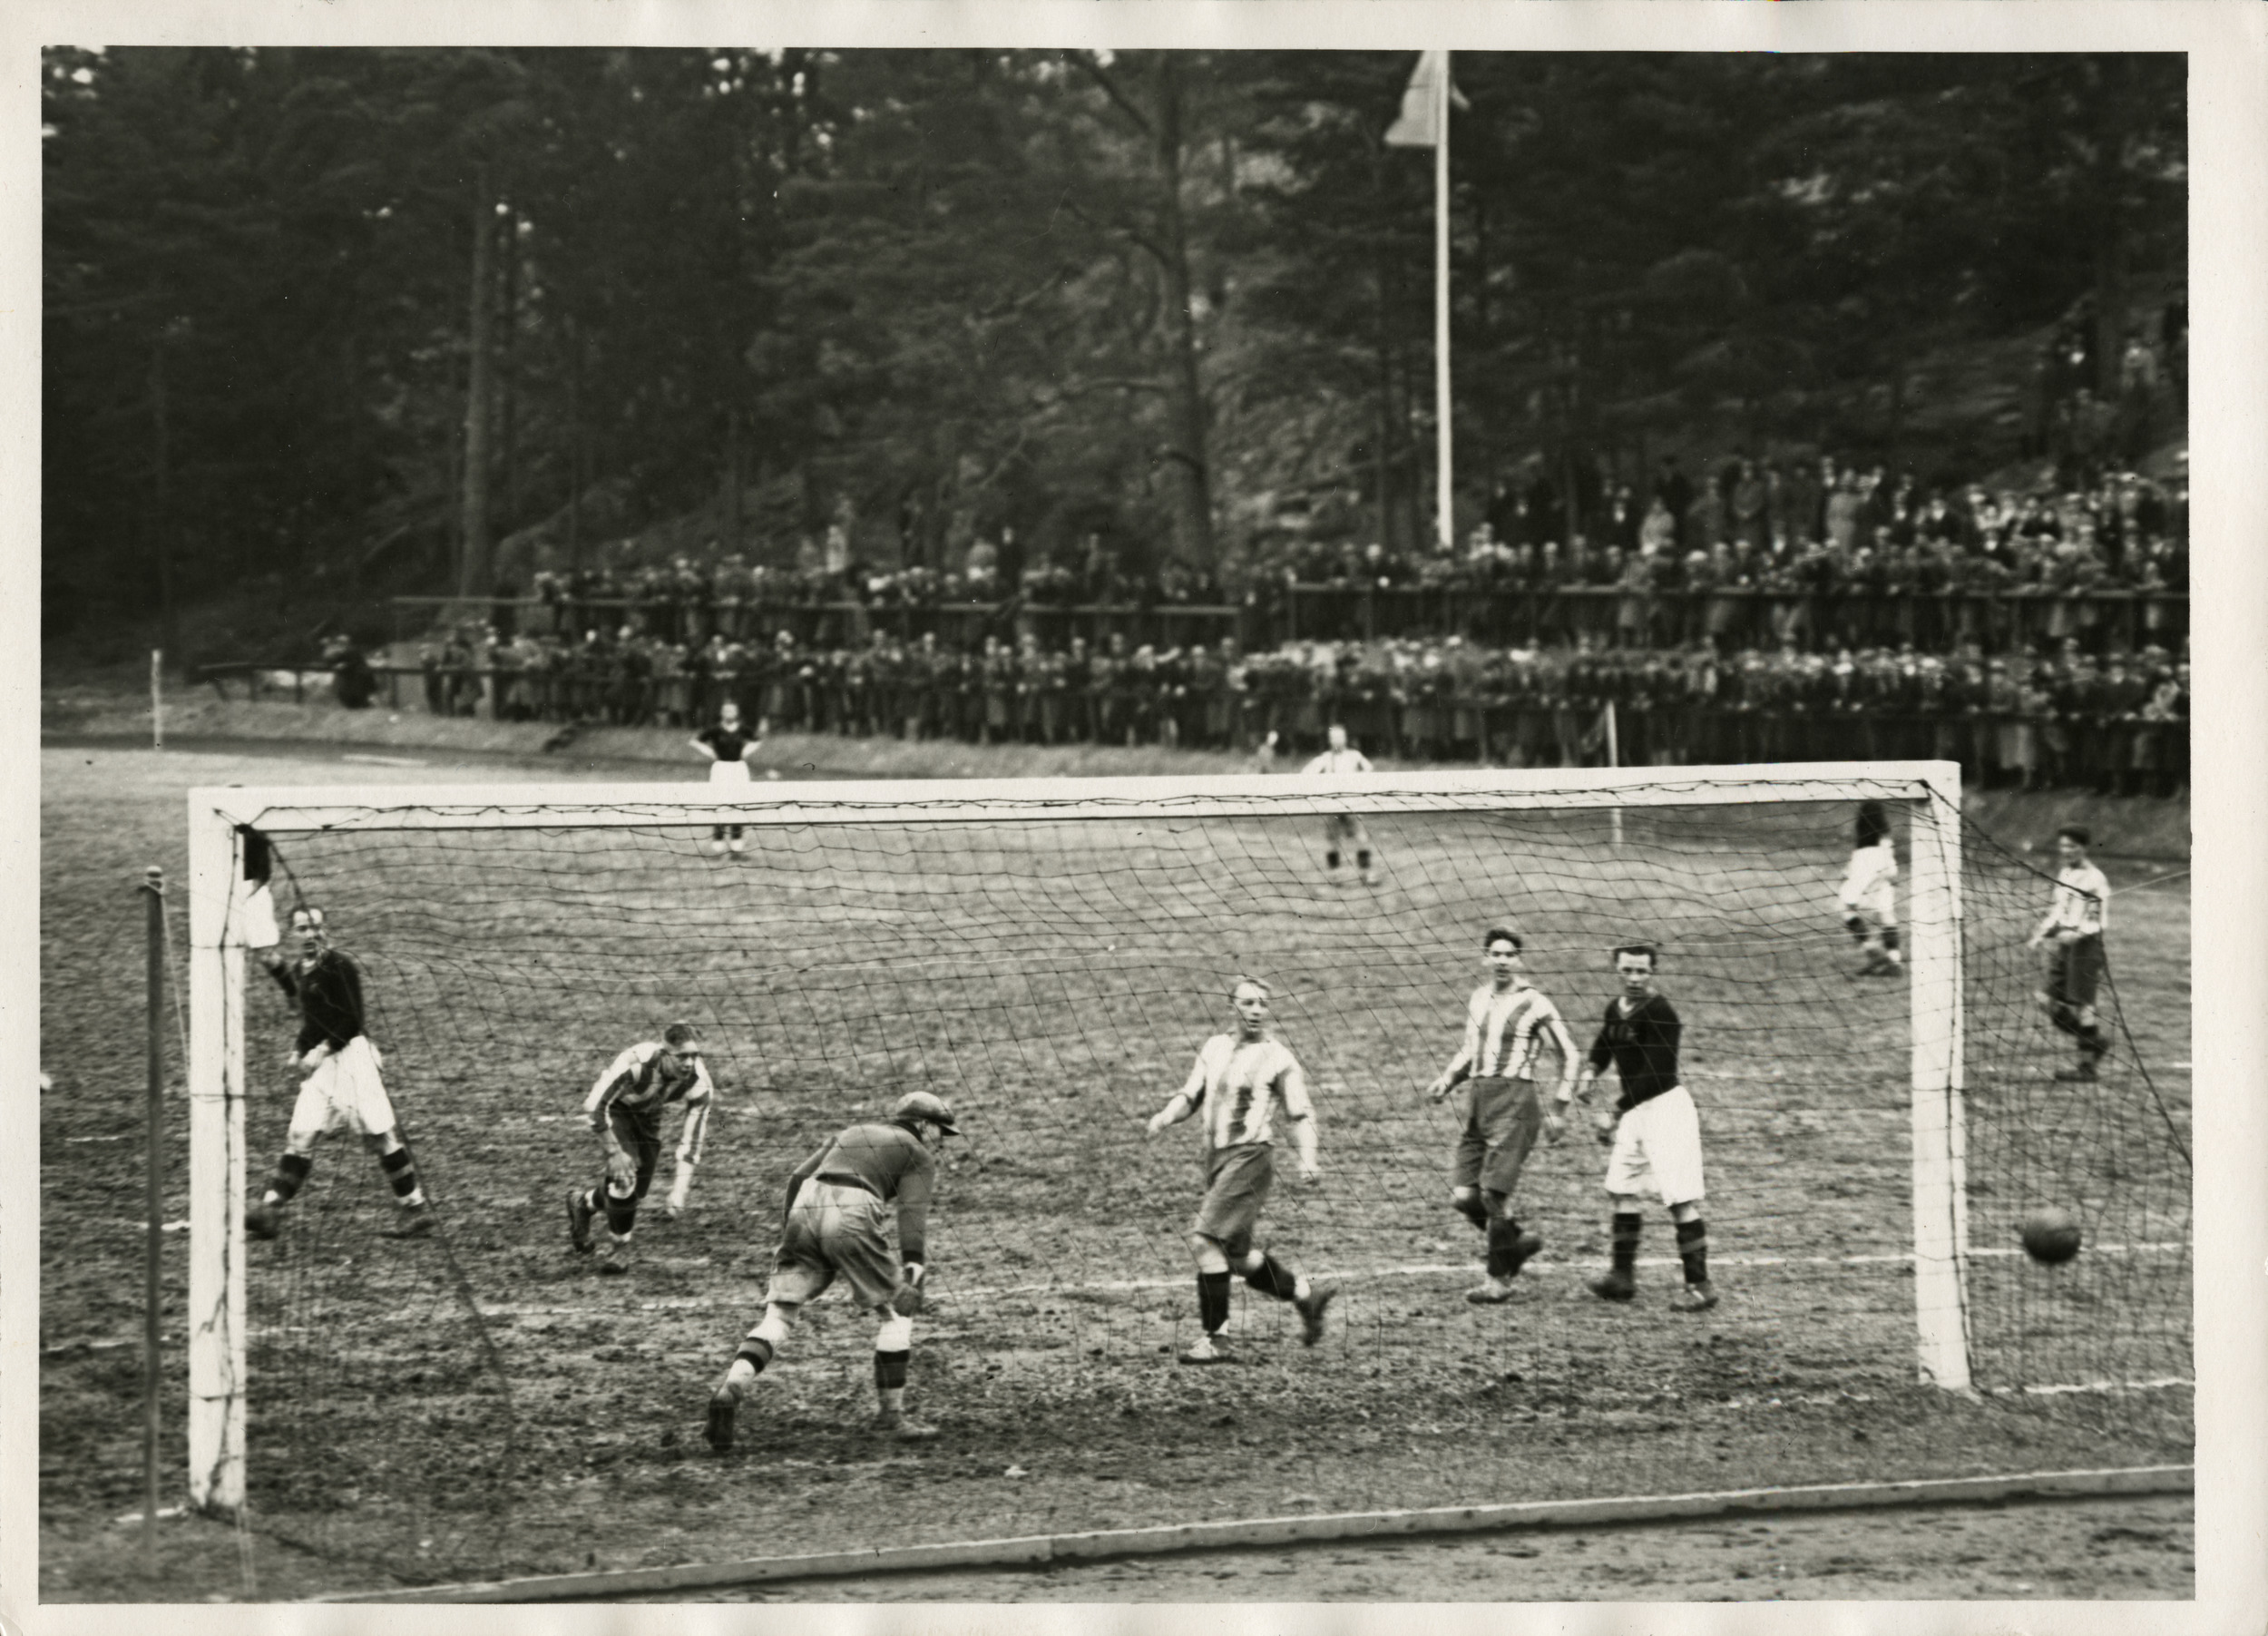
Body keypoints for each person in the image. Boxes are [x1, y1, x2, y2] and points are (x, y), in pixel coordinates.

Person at [704, 1091, 963, 1448]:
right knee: (897, 1314)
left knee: (778, 1317)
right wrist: (913, 1269)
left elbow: (797, 1177)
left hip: (805, 1207)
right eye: (941, 1133)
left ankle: (730, 1387)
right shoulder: (917, 1152)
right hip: (853, 1210)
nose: (942, 1144)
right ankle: (891, 1418)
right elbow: (912, 1214)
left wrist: (791, 1233)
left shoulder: (852, 1132)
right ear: (922, 1124)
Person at [1146, 979, 1336, 1363]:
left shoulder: (1279, 1057)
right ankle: (1305, 1295)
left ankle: (1216, 1339)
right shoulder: (1214, 1046)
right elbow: (1192, 1094)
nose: (1255, 1010)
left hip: (1251, 1158)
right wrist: (1166, 1116)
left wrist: (1308, 1158)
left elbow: (1301, 1113)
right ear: (1232, 1006)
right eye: (1248, 1002)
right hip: (1217, 1160)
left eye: (1263, 1004)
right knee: (1237, 1256)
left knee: (1204, 1241)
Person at [244, 906, 432, 1240]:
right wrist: (299, 1049)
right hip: (324, 1070)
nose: (310, 934)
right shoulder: (303, 971)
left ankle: (414, 1208)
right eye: (302, 928)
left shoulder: (339, 966)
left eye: (315, 927)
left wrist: (322, 1049)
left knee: (379, 1138)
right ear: (293, 934)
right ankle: (271, 1209)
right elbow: (311, 1022)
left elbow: (352, 1019)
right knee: (301, 1136)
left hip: (352, 1061)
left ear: (325, 930)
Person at [1425, 928, 1581, 1304]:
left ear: (1519, 960)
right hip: (1480, 1102)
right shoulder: (1479, 998)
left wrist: (1559, 1110)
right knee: (1464, 1197)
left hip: (1516, 1101)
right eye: (1495, 953)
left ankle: (1499, 1281)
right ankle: (1516, 1242)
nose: (1502, 960)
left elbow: (1569, 1055)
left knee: (1493, 1197)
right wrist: (1448, 1079)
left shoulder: (1536, 1003)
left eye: (1510, 954)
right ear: (1485, 957)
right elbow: (1470, 1049)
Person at [1574, 943, 1716, 1312]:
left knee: (1679, 1201)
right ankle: (1622, 1279)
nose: (1635, 978)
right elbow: (1605, 1042)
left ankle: (1700, 1286)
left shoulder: (1661, 1012)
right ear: (1617, 970)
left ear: (1652, 972)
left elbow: (1658, 1074)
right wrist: (1590, 1071)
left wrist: (1615, 1111)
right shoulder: (1616, 1008)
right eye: (1628, 971)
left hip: (1666, 1110)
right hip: (1636, 1111)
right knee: (1622, 1188)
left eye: (1642, 971)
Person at [565, 1022, 716, 1274]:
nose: (689, 1063)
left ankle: (583, 1203)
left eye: (694, 1055)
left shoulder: (700, 1084)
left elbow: (691, 1142)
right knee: (625, 1178)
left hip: (649, 1114)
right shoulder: (638, 1065)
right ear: (665, 1051)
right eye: (682, 1056)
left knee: (634, 1193)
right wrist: (614, 1152)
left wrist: (679, 1192)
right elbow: (594, 1106)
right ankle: (619, 1250)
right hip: (616, 1108)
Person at [2027, 824, 2113, 1082]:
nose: (2067, 851)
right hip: (2065, 945)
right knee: (2044, 998)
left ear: (2084, 848)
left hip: (2086, 946)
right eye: (2063, 846)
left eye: (2073, 846)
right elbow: (2059, 909)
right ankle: (2094, 1042)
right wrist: (2041, 933)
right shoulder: (2065, 872)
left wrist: (2077, 933)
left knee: (2083, 1005)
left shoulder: (2095, 879)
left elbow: (2099, 920)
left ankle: (2087, 1068)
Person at [1303, 722, 1379, 886]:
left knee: (1361, 837)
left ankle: (1366, 873)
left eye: (1340, 737)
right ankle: (1335, 874)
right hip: (1333, 806)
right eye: (1334, 738)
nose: (1337, 741)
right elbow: (1306, 774)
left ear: (1345, 738)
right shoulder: (1324, 759)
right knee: (1333, 840)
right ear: (1330, 740)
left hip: (1352, 804)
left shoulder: (1355, 756)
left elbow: (1370, 771)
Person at [1838, 799, 1903, 976]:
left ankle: (1872, 951)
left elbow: (1860, 861)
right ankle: (1894, 961)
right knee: (1886, 914)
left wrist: (1847, 873)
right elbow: (1890, 865)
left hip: (1867, 871)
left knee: (1846, 909)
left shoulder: (1864, 841)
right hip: (1884, 874)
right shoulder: (1885, 837)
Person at [690, 699, 760, 857]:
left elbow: (756, 740)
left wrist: (746, 751)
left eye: (732, 710)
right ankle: (718, 845)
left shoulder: (743, 729)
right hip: (721, 768)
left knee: (738, 803)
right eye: (726, 711)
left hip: (738, 768)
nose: (729, 714)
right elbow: (695, 741)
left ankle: (737, 846)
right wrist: (709, 753)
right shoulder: (715, 730)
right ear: (722, 713)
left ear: (737, 713)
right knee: (720, 803)